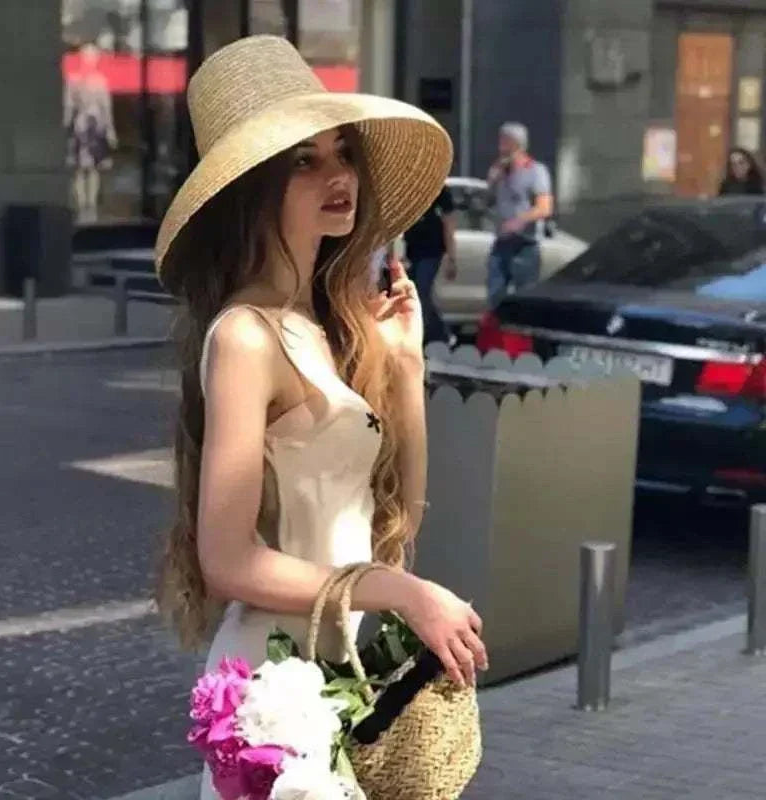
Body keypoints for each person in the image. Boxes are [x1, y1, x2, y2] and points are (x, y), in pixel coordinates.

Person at [152, 36, 488, 800]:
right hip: (277, 696)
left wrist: (405, 368)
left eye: (343, 154)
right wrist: (402, 595)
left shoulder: (323, 324)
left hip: (343, 676)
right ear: (252, 186)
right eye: (304, 160)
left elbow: (391, 524)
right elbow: (227, 561)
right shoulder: (245, 335)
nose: (339, 177)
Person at [486, 122, 553, 306]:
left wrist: (519, 221)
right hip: (501, 243)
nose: (500, 146)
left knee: (524, 299)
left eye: (504, 141)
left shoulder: (535, 171)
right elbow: (487, 203)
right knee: (495, 296)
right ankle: (497, 333)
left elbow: (544, 207)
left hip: (525, 245)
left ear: (516, 144)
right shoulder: (500, 171)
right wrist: (492, 181)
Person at [64, 42, 117, 222]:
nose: (90, 59)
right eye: (87, 55)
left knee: (94, 167)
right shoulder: (74, 80)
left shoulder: (100, 81)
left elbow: (106, 108)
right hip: (80, 127)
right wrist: (66, 127)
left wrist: (110, 130)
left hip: (97, 127)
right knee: (80, 168)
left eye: (93, 56)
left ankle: (91, 205)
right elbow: (69, 106)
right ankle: (82, 204)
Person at [403, 185, 458, 346]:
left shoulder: (440, 188)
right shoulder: (406, 187)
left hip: (431, 249)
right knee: (414, 293)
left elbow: (449, 223)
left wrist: (451, 256)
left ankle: (434, 335)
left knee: (422, 291)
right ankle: (437, 332)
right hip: (412, 249)